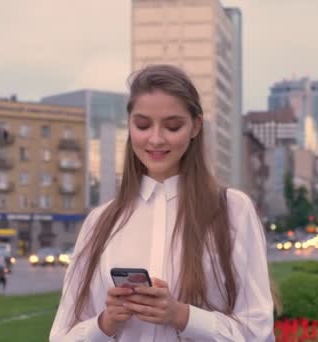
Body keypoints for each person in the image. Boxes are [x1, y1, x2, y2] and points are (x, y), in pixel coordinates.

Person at [49, 64, 274, 341]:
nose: (155, 139)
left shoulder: (231, 210)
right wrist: (105, 323)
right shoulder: (100, 222)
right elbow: (61, 336)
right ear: (129, 125)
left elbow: (257, 332)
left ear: (195, 126)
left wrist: (180, 315)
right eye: (142, 125)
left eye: (172, 126)